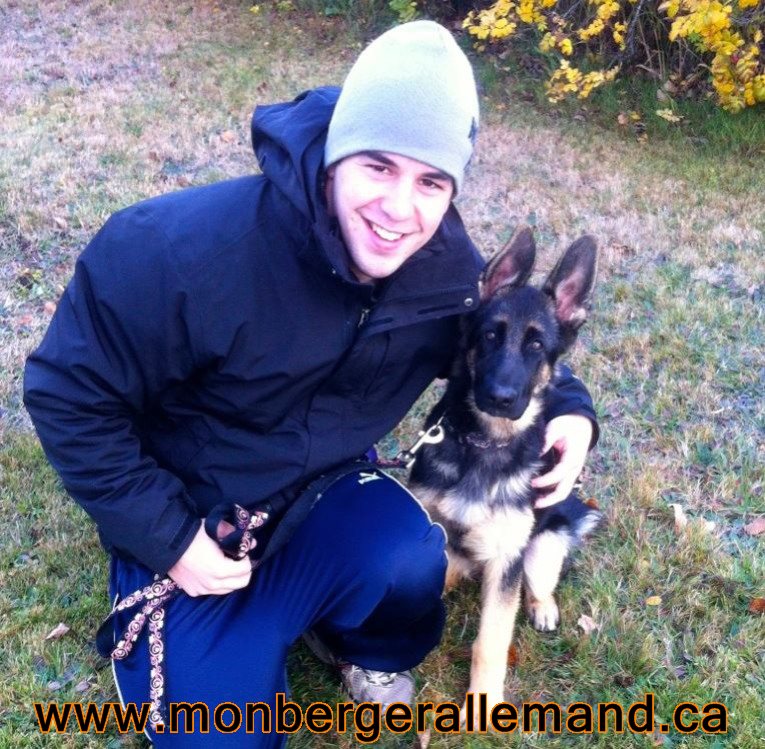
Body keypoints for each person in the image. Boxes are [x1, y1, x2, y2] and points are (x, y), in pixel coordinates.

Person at [24, 20, 597, 746]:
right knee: (220, 737)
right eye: (378, 166)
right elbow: (68, 396)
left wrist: (572, 412)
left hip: (321, 498)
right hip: (197, 519)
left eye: (430, 181)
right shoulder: (173, 251)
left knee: (410, 555)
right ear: (335, 155)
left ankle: (349, 637)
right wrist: (170, 540)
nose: (399, 209)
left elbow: (506, 345)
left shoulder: (444, 276)